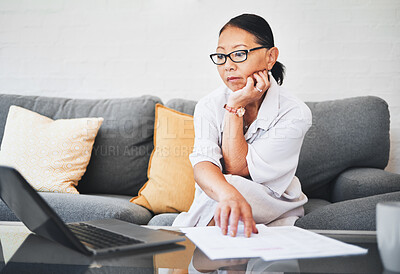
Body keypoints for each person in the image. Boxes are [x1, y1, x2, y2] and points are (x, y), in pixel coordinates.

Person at [172, 14, 312, 238]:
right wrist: (227, 194)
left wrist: (235, 106)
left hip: (271, 200)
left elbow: (238, 168)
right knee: (222, 193)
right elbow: (202, 164)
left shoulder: (295, 113)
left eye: (239, 54)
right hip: (218, 194)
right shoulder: (208, 105)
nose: (228, 65)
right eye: (221, 55)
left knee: (227, 188)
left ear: (270, 57)